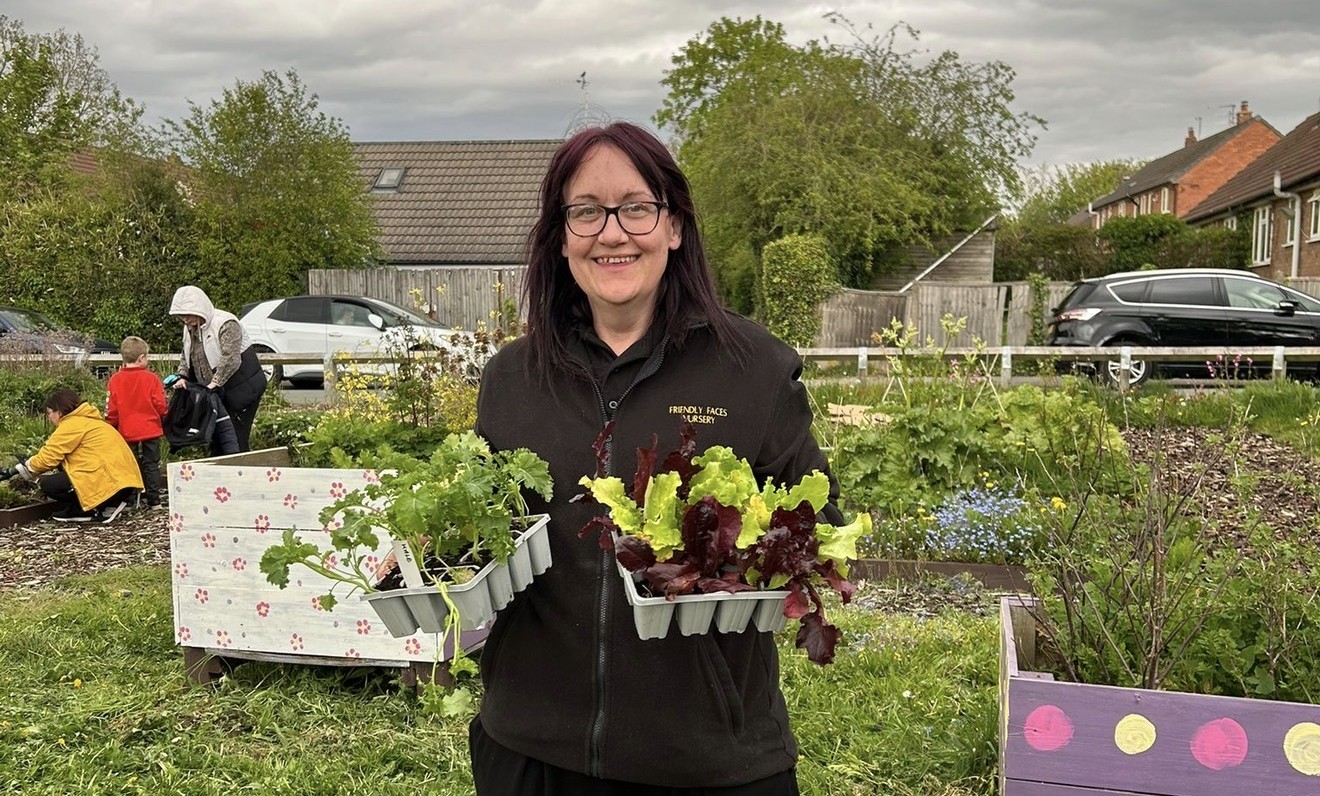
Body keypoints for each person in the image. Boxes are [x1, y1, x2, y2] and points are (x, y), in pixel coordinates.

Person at [472, 121, 841, 794]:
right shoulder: (511, 379)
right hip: (531, 748)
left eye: (636, 207)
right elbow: (488, 535)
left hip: (711, 760)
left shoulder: (752, 369)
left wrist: (749, 554)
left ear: (673, 226)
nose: (612, 233)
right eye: (586, 212)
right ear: (561, 238)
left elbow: (819, 525)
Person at [4, 389, 142, 523]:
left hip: (110, 485)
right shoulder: (91, 421)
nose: (49, 417)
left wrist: (17, 469)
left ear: (59, 411)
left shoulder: (71, 425)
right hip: (123, 482)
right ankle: (107, 505)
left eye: (49, 413)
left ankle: (87, 509)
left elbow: (48, 458)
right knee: (65, 469)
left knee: (49, 485)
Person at [168, 285, 267, 454]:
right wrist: (182, 376)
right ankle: (220, 477)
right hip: (214, 392)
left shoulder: (226, 323)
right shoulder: (189, 328)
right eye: (181, 316)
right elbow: (186, 355)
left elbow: (231, 359)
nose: (185, 319)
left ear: (199, 309)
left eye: (188, 314)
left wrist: (214, 383)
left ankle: (240, 476)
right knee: (217, 439)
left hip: (240, 389)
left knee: (236, 437)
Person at [106, 335, 169, 507]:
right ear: (142, 357)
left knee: (129, 464)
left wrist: (111, 424)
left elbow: (111, 408)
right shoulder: (151, 379)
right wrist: (164, 415)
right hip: (150, 428)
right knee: (151, 464)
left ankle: (130, 498)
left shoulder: (115, 380)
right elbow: (160, 404)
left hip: (126, 429)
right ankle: (154, 499)